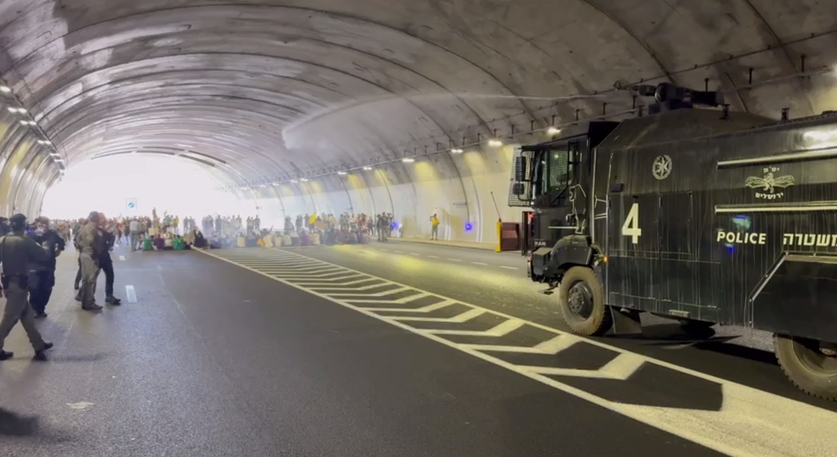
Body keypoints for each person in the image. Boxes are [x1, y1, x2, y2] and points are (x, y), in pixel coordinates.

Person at [0, 214, 54, 361]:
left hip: (8, 282)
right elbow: (43, 255)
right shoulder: (25, 241)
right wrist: (45, 241)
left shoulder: (3, 240)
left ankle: (38, 345)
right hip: (20, 284)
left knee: (27, 316)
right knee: (10, 318)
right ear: (24, 225)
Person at [28, 217, 65, 318]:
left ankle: (41, 308)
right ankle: (33, 308)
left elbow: (61, 242)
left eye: (46, 225)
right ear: (36, 224)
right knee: (34, 288)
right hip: (34, 266)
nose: (44, 227)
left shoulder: (53, 234)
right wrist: (36, 234)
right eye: (41, 225)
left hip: (49, 266)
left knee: (47, 288)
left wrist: (59, 250)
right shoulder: (31, 234)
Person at [76, 211, 103, 311]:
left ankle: (84, 302)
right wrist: (96, 249)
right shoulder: (92, 227)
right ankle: (90, 302)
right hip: (91, 255)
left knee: (85, 279)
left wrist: (83, 248)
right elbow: (90, 240)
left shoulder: (85, 226)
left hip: (84, 254)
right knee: (91, 280)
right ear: (97, 218)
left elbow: (77, 239)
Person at [96, 214, 121, 305]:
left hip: (105, 256)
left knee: (110, 275)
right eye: (101, 219)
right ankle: (84, 295)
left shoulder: (103, 229)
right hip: (97, 256)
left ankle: (109, 295)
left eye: (103, 218)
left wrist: (111, 226)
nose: (103, 220)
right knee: (92, 278)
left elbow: (109, 237)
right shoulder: (94, 229)